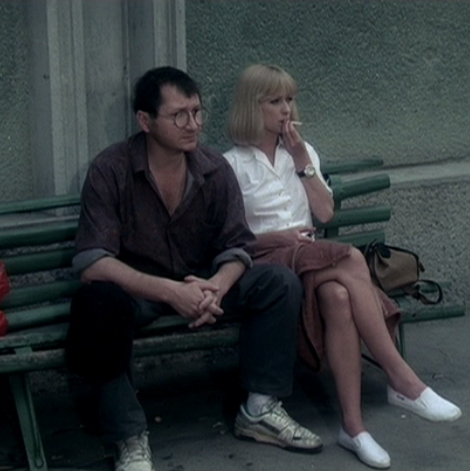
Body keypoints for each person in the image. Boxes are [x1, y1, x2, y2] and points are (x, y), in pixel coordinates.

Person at [64, 66, 323, 471]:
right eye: (179, 115)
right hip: (140, 292)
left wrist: (217, 284)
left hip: (202, 284)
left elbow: (238, 245)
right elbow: (92, 263)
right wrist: (171, 292)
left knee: (278, 282)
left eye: (197, 112)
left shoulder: (213, 168)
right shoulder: (111, 169)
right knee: (98, 305)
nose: (193, 125)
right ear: (145, 121)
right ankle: (128, 436)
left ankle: (259, 409)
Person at [223, 64, 462, 469]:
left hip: (309, 259)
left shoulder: (303, 152)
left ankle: (353, 428)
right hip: (267, 265)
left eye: (290, 99)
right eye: (275, 101)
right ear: (252, 106)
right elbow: (231, 241)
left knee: (337, 296)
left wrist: (302, 161)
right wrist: (282, 238)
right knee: (349, 256)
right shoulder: (230, 164)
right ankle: (401, 378)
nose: (286, 109)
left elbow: (325, 213)